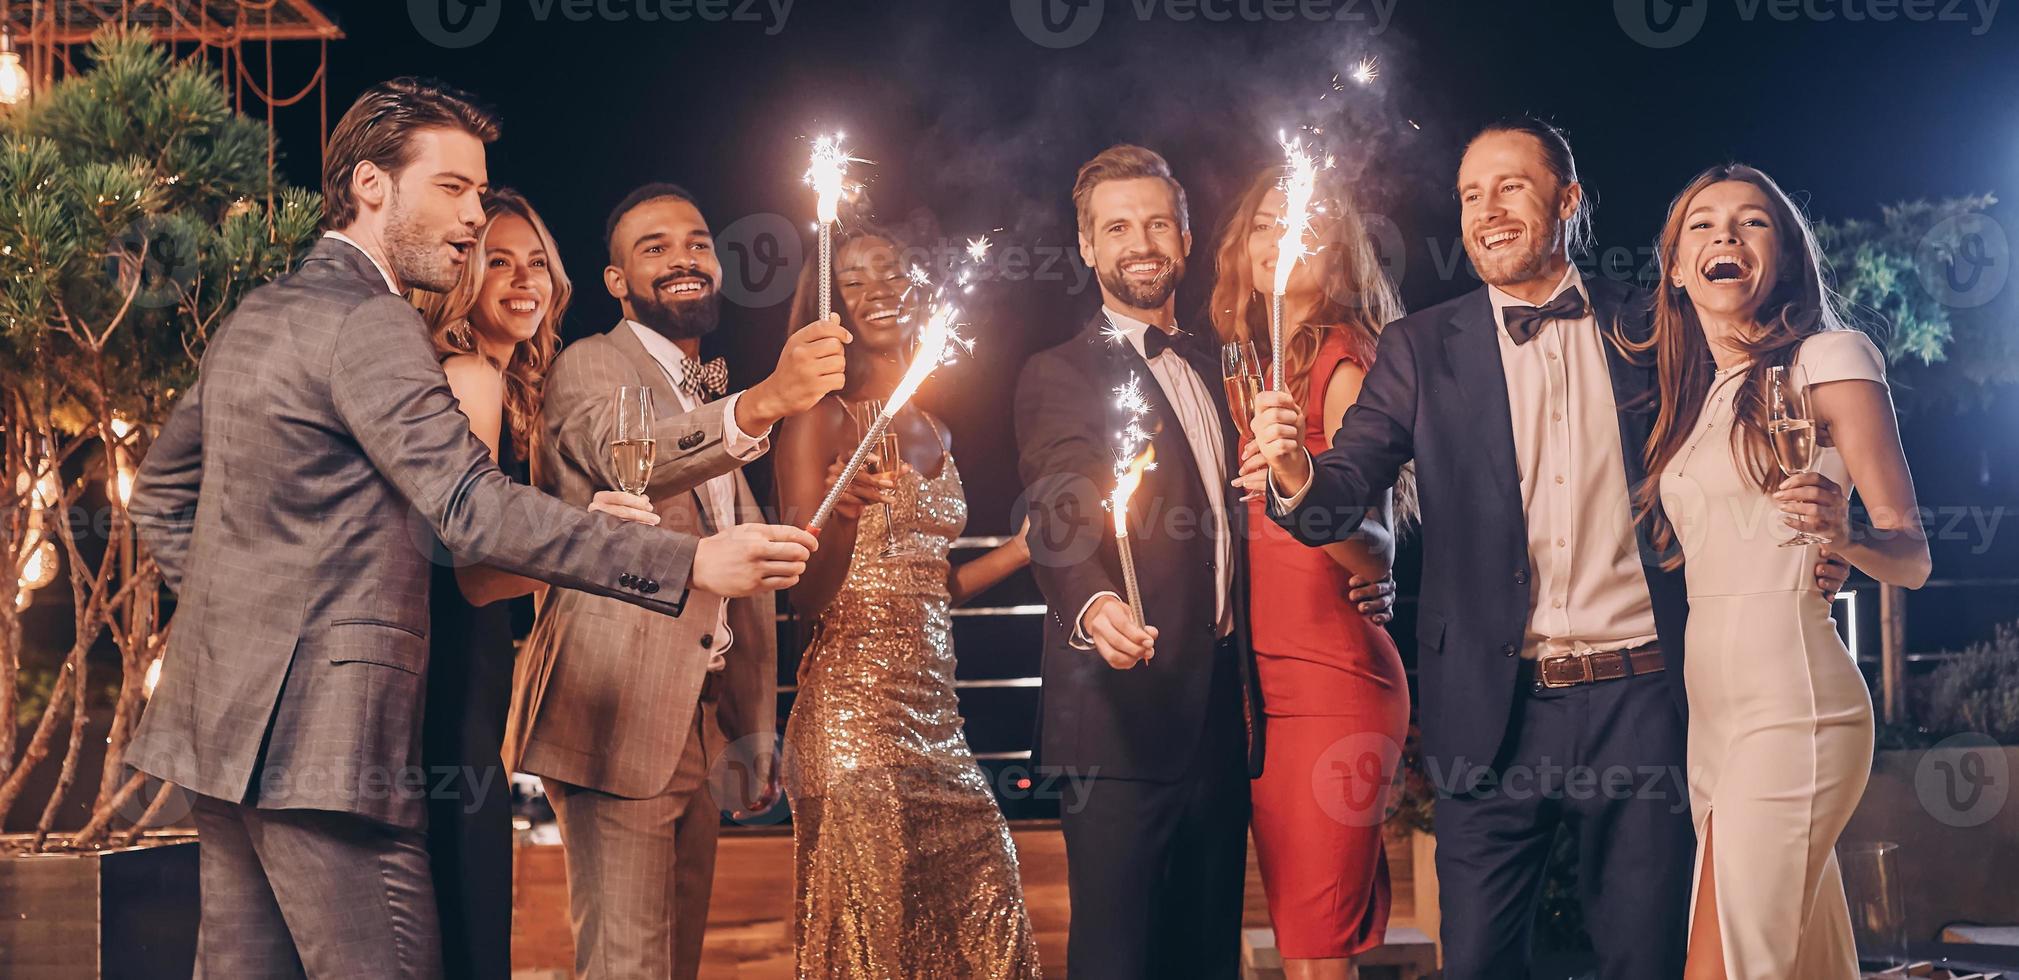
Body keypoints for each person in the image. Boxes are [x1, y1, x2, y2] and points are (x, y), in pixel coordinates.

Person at [124, 78, 815, 978]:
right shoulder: (374, 321)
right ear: (371, 185)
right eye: (452, 188)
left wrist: (245, 627)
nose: (472, 217)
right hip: (331, 756)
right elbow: (472, 507)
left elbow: (158, 498)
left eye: (479, 193)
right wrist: (689, 561)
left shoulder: (257, 313)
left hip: (218, 737)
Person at [1250, 118, 1850, 980]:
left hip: (1641, 701)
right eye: (1467, 195)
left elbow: (1753, 431)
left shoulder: (1654, 328)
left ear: (1566, 201)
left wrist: (1823, 544)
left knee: (1641, 957)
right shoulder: (1420, 346)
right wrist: (1293, 472)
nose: (1486, 211)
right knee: (1482, 963)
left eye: (1510, 187)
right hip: (1489, 713)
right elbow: (1340, 491)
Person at [502, 182, 849, 980]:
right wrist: (764, 403)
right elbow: (638, 455)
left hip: (703, 725)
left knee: (676, 966)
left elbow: (744, 575)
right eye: (652, 248)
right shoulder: (589, 365)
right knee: (626, 968)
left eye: (695, 243)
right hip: (614, 715)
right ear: (616, 281)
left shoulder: (703, 383)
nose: (682, 258)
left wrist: (751, 727)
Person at [1636, 164, 1929, 980]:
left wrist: (1848, 538)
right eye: (1701, 224)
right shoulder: (1694, 399)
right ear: (1673, 266)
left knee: (1722, 964)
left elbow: (1911, 554)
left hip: (1795, 706)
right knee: (1802, 965)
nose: (1724, 235)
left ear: (1786, 256)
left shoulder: (1827, 357)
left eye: (1751, 222)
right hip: (1713, 722)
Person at [775, 227, 1042, 978]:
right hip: (854, 723)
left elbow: (930, 587)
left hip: (938, 722)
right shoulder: (821, 415)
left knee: (988, 929)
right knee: (875, 951)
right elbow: (804, 592)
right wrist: (845, 512)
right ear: (831, 303)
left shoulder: (936, 426)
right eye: (853, 281)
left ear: (921, 284)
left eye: (890, 272)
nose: (877, 290)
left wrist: (1022, 550)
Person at [412, 188, 656, 979]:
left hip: (478, 691)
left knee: (473, 925)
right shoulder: (469, 381)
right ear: (463, 280)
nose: (524, 280)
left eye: (538, 263)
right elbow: (474, 573)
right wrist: (592, 543)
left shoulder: (516, 388)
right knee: (469, 929)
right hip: (446, 692)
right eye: (497, 263)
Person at [1212, 166, 1415, 980]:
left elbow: (1375, 543)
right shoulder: (1245, 369)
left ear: (1337, 258)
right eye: (1263, 221)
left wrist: (1289, 482)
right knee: (1304, 923)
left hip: (1333, 677)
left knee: (1314, 937)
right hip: (1261, 689)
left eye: (1303, 223)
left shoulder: (1341, 361)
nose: (1278, 236)